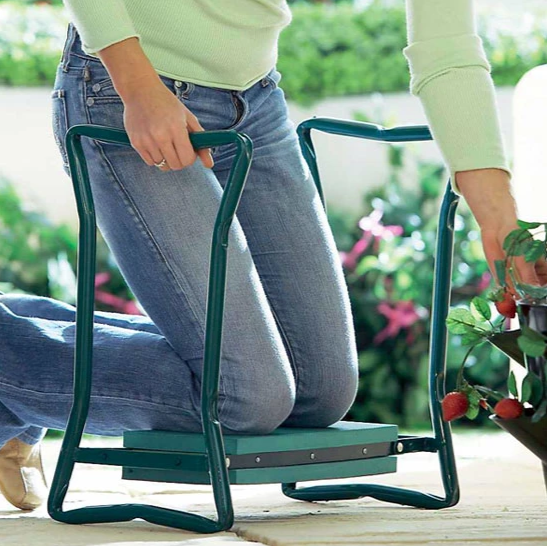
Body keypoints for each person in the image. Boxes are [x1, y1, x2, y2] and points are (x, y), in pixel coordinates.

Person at [0, 0, 540, 512]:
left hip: (254, 102)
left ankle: (21, 336)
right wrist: (136, 84)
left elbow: (445, 46)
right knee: (242, 398)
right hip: (128, 90)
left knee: (321, 392)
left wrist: (499, 220)